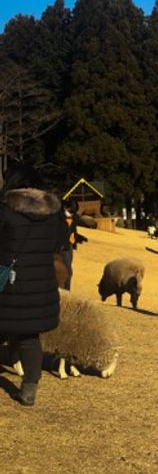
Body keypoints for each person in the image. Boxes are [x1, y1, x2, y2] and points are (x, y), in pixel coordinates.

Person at [0, 164, 66, 407]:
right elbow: (60, 242)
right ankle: (29, 389)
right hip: (40, 282)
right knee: (29, 335)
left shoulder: (5, 208)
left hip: (7, 279)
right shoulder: (54, 211)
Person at [57, 200, 87, 291]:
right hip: (62, 248)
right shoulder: (59, 219)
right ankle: (64, 291)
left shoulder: (73, 219)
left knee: (69, 271)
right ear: (65, 208)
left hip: (69, 246)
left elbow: (73, 232)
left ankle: (67, 291)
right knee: (66, 271)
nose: (72, 213)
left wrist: (79, 238)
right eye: (70, 211)